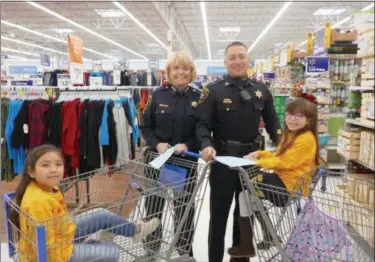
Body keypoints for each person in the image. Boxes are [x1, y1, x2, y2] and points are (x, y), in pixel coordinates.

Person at [196, 41, 282, 262]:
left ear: (248, 60)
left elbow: (273, 123)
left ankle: (239, 258)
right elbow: (202, 124)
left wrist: (284, 147)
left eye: (241, 56)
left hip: (251, 163)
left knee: (245, 214)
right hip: (223, 161)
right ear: (225, 62)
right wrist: (206, 143)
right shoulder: (213, 91)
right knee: (219, 216)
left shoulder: (261, 90)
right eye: (232, 57)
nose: (237, 61)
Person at [10, 144, 160, 262]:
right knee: (112, 252)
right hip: (54, 255)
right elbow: (49, 250)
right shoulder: (38, 202)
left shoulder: (49, 186)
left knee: (102, 215)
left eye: (58, 164)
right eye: (45, 165)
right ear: (31, 172)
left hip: (62, 235)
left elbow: (60, 222)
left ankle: (135, 231)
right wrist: (80, 245)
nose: (53, 170)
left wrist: (80, 238)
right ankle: (103, 239)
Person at [229, 96, 319, 258]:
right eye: (290, 114)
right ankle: (267, 237)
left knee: (246, 190)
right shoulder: (292, 134)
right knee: (248, 195)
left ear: (309, 120)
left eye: (299, 116)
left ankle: (247, 245)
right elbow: (278, 154)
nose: (292, 119)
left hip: (287, 189)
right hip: (285, 183)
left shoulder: (306, 139)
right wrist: (260, 153)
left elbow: (285, 162)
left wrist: (258, 162)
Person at [140, 51, 201, 259]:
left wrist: (188, 144)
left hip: (185, 162)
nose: (180, 72)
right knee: (154, 205)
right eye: (176, 68)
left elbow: (203, 131)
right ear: (169, 72)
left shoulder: (200, 98)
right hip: (157, 161)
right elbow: (145, 127)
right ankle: (152, 247)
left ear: (191, 72)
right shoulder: (157, 95)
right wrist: (156, 144)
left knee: (184, 208)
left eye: (185, 68)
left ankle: (184, 249)